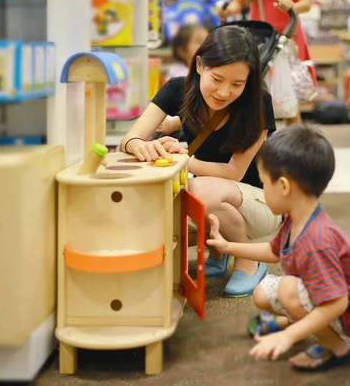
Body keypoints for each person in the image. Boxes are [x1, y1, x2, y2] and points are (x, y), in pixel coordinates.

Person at [119, 24, 281, 298]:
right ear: (199, 65)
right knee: (160, 207)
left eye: (237, 84)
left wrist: (181, 159)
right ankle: (219, 250)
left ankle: (249, 262)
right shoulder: (176, 90)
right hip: (216, 196)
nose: (224, 92)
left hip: (260, 202)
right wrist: (140, 145)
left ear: (249, 81)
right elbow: (130, 138)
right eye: (217, 79)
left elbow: (234, 172)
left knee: (198, 190)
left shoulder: (258, 103)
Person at [206, 124, 350, 372]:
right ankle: (296, 320)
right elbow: (274, 252)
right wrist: (228, 246)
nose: (263, 191)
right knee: (262, 293)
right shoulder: (296, 218)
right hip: (327, 294)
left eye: (264, 184)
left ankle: (336, 348)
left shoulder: (317, 240)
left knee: (287, 288)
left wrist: (289, 338)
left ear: (284, 186)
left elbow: (338, 302)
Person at [218, 0, 318, 126]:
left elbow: (306, 3)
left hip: (288, 37)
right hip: (261, 38)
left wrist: (292, 6)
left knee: (289, 100)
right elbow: (237, 3)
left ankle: (293, 144)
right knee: (256, 95)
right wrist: (227, 10)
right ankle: (256, 144)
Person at [155, 24, 210, 139]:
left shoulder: (209, 76)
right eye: (200, 41)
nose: (207, 46)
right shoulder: (174, 76)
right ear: (182, 51)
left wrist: (174, 123)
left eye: (209, 40)